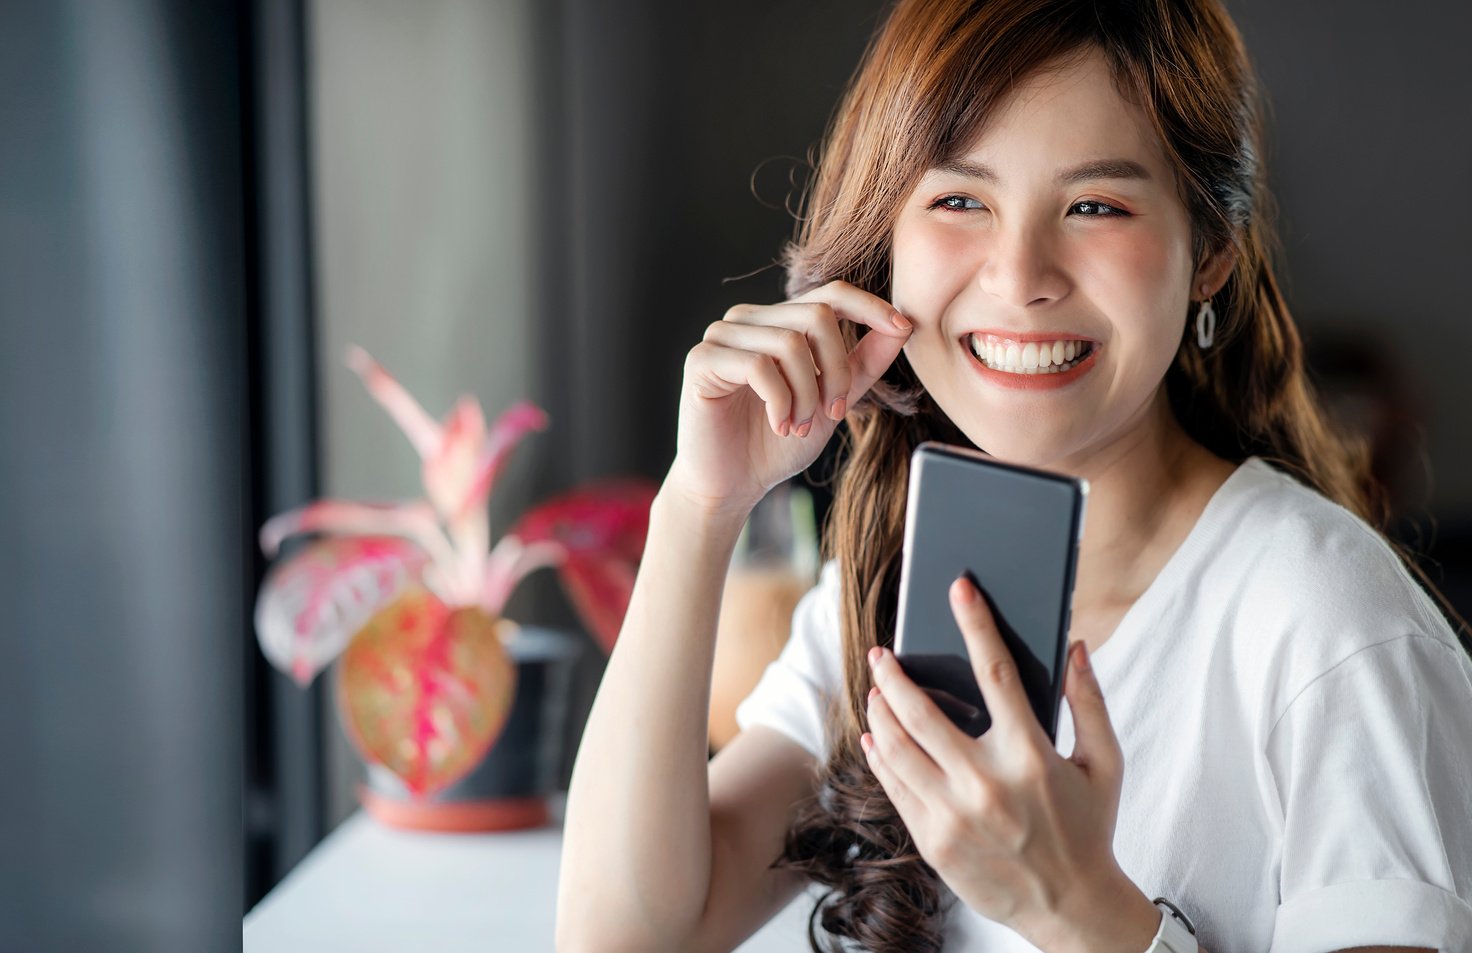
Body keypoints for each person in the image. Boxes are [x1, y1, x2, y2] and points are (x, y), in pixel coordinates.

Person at [555, 0, 1472, 951]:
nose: (1020, 274)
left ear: (1210, 255)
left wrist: (1080, 909)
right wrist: (700, 504)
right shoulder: (883, 588)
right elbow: (620, 936)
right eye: (960, 201)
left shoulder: (1331, 625)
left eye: (1095, 206)